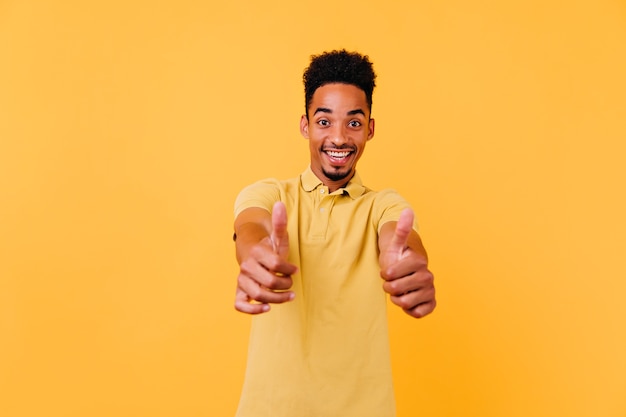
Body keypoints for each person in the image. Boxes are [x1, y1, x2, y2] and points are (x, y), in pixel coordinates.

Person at [232, 49, 436, 417]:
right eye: (324, 122)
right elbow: (250, 227)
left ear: (370, 129)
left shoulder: (384, 205)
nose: (339, 138)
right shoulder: (269, 193)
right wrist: (255, 255)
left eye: (354, 123)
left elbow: (400, 239)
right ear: (305, 126)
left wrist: (406, 262)